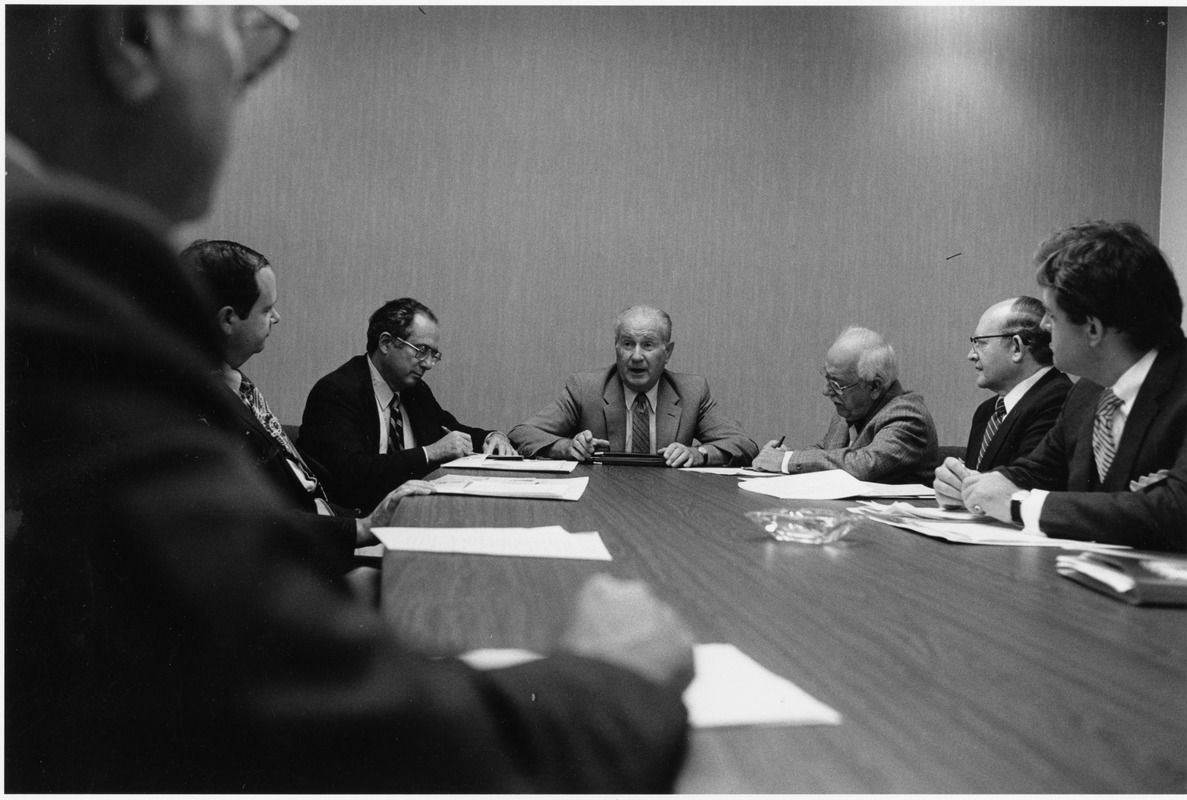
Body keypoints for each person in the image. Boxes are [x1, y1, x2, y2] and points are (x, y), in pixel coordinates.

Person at [6, 7, 693, 792]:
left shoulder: (68, 278)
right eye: (243, 28)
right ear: (131, 38)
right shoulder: (53, 300)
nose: (254, 68)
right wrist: (617, 678)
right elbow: (344, 729)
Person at [937, 221, 1187, 552]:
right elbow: (1033, 473)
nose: (1042, 325)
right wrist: (969, 486)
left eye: (1052, 315)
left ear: (1093, 329)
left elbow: (1178, 511)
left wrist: (1020, 505)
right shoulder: (1087, 393)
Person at [183, 238, 432, 571]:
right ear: (228, 319)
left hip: (322, 536)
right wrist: (362, 528)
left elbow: (306, 488)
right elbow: (250, 520)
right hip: (283, 568)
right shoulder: (193, 404)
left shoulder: (236, 384)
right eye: (266, 309)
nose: (277, 318)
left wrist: (369, 520)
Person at [300, 297, 517, 510]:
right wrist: (428, 453)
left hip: (416, 509)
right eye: (422, 351)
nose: (429, 364)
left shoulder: (414, 391)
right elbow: (353, 473)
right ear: (386, 343)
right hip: (361, 522)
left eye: (433, 354)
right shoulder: (337, 392)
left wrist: (493, 437)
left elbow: (451, 432)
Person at [508, 305, 758, 467]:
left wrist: (698, 454)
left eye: (648, 345)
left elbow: (744, 445)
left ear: (667, 352)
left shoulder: (692, 391)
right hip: (601, 500)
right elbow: (522, 434)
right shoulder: (586, 388)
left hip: (669, 505)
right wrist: (568, 447)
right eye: (628, 344)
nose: (636, 356)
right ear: (616, 347)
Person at [752, 327, 939, 483]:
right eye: (827, 378)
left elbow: (864, 465)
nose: (825, 391)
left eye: (837, 384)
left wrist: (787, 461)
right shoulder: (849, 413)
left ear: (874, 386)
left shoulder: (908, 416)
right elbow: (826, 452)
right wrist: (784, 455)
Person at [958, 297, 1072, 471]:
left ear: (1017, 348)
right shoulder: (987, 412)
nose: (971, 355)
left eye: (980, 343)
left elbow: (1024, 481)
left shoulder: (1060, 400)